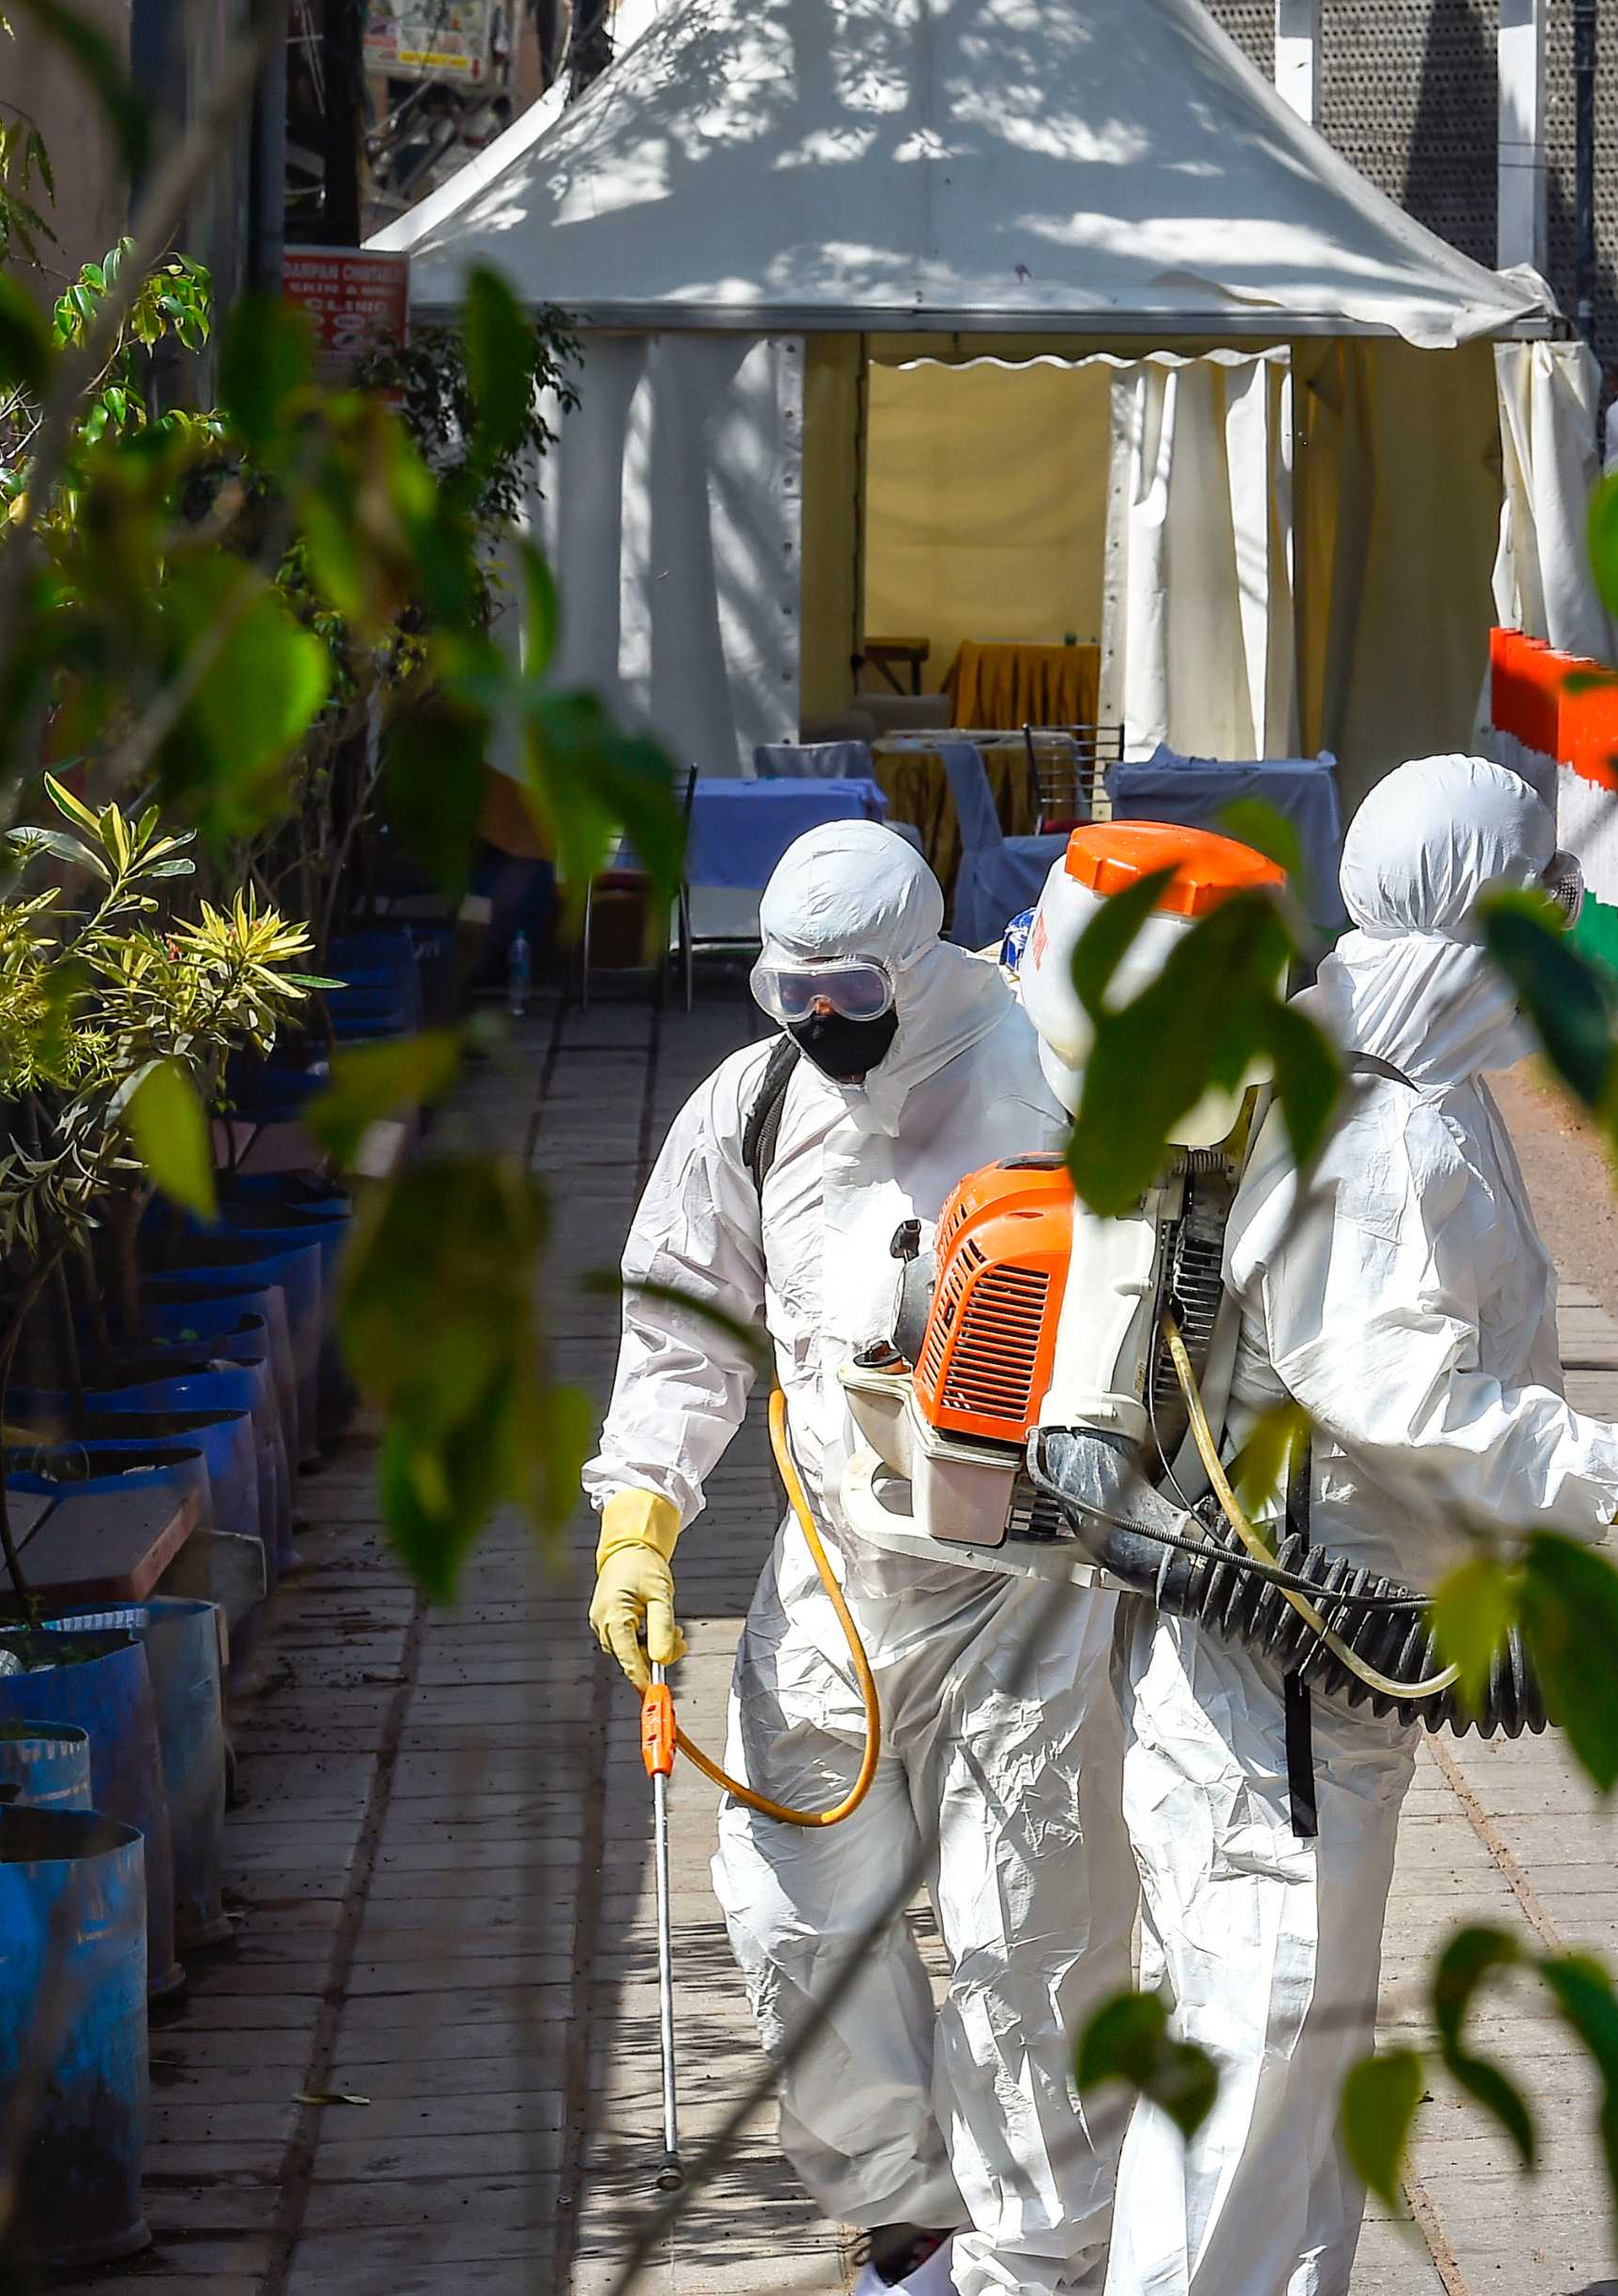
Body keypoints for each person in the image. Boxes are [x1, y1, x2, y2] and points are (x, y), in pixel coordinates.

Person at [1104, 756, 1618, 2296]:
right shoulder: (1370, 1124)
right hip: (1276, 1682)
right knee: (1256, 2057)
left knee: (1306, 2059)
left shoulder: (1417, 1087)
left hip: (1331, 1682)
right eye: (1541, 903)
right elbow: (1404, 1398)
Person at [587, 822, 1127, 2296]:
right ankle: (910, 2228)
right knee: (793, 1914)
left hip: (1030, 1597)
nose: (821, 1018)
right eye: (793, 990)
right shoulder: (756, 1105)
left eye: (851, 991)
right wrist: (640, 1517)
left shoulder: (1048, 1076)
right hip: (835, 1582)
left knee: (1029, 1949)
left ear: (917, 959)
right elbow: (683, 1329)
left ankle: (1039, 2264)